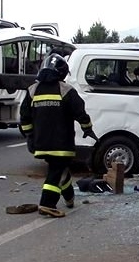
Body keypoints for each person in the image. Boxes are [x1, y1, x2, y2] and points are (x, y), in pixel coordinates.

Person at [19, 53, 97, 217]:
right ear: (61, 72)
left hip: (41, 142)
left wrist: (30, 136)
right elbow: (80, 112)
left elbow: (24, 116)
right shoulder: (65, 90)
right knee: (55, 172)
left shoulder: (33, 90)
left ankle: (69, 198)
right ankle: (47, 204)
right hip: (62, 143)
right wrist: (87, 128)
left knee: (59, 169)